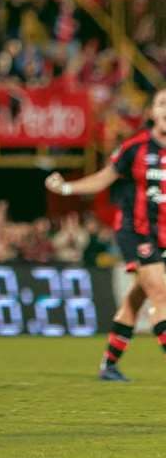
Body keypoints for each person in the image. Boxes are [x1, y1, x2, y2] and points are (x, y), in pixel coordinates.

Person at [44, 91, 166, 381]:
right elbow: (104, 178)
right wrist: (67, 189)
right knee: (160, 294)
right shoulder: (135, 147)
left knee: (137, 297)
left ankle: (109, 365)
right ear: (151, 112)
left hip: (162, 235)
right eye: (163, 104)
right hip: (136, 233)